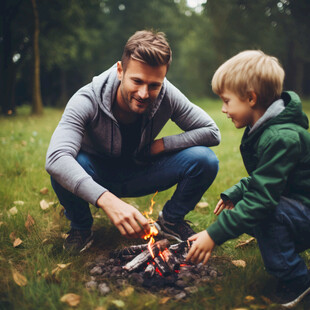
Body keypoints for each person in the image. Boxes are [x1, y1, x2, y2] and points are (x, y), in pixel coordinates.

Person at [45, 30, 220, 254]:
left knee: (204, 159)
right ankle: (81, 227)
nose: (144, 93)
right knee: (67, 164)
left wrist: (162, 145)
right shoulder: (86, 99)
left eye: (154, 85)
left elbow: (211, 131)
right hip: (96, 175)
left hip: (141, 171)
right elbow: (56, 158)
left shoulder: (167, 94)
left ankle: (171, 221)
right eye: (136, 81)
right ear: (120, 70)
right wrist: (107, 200)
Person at [186, 50, 310, 308]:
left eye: (227, 100)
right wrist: (237, 193)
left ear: (251, 98)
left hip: (304, 209)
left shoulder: (280, 137)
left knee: (263, 212)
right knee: (248, 209)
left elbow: (263, 199)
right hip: (300, 206)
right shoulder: (266, 129)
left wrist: (213, 235)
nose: (223, 109)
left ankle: (297, 280)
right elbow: (265, 178)